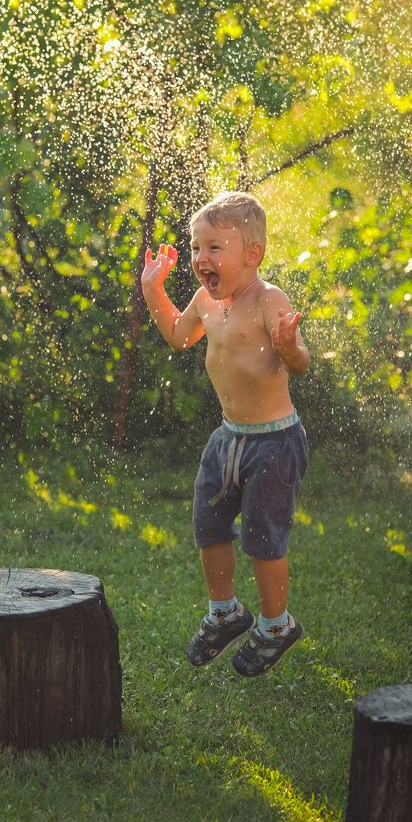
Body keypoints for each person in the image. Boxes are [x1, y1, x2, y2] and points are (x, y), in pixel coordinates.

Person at [140, 192, 310, 676]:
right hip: (228, 438)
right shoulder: (205, 301)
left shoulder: (269, 299)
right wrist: (154, 292)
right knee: (208, 526)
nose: (200, 259)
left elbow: (300, 364)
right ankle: (225, 612)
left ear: (250, 255)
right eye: (196, 248)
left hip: (275, 443)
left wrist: (288, 346)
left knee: (263, 537)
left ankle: (276, 624)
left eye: (214, 248)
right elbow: (178, 335)